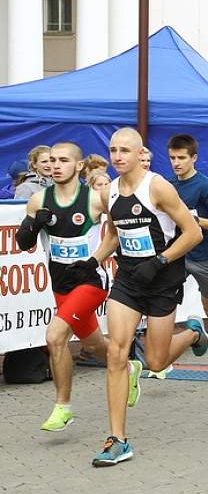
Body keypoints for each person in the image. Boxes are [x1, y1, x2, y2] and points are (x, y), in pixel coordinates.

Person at [88, 127, 208, 467]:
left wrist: (159, 261)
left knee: (156, 362)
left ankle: (194, 332)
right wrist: (91, 262)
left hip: (162, 280)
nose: (117, 156)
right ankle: (118, 439)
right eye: (112, 149)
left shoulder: (157, 186)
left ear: (140, 153)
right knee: (116, 353)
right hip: (128, 281)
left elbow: (193, 232)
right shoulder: (109, 191)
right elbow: (114, 235)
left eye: (125, 150)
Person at [15, 142, 113, 432]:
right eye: (52, 160)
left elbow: (119, 233)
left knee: (55, 336)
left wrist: (95, 260)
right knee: (95, 346)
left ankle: (62, 407)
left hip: (90, 282)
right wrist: (33, 225)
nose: (57, 166)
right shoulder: (38, 200)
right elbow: (23, 243)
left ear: (79, 165)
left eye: (64, 160)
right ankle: (127, 365)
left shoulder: (96, 199)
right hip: (60, 284)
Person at [167, 134, 208, 377]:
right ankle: (165, 355)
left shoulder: (205, 186)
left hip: (204, 256)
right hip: (177, 254)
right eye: (173, 158)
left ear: (194, 158)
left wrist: (196, 221)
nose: (177, 163)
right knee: (164, 302)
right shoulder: (167, 186)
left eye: (182, 158)